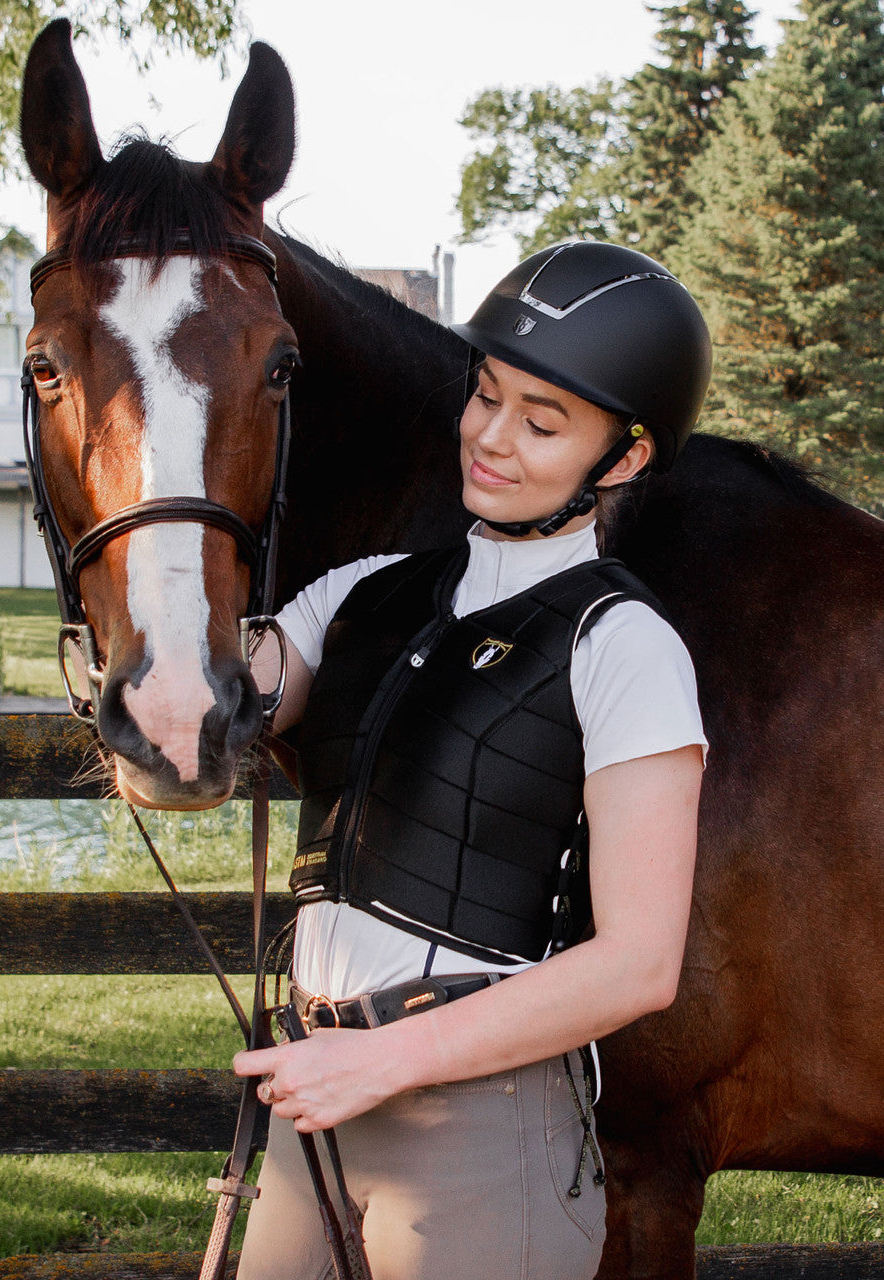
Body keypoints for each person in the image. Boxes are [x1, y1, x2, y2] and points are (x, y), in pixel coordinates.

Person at [235, 241, 711, 1280]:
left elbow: (639, 963)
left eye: (541, 422)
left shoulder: (624, 645)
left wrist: (381, 1059)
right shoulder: (361, 591)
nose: (490, 438)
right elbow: (223, 693)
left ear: (622, 459)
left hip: (480, 1126)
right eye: (484, 396)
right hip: (311, 1091)